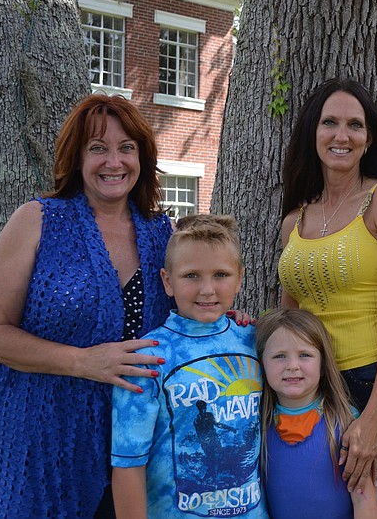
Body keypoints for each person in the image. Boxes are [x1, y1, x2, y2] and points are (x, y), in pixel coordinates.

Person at [0, 94, 174, 518]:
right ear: (77, 157)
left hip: (135, 447)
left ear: (142, 157)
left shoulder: (162, 234)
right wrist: (84, 362)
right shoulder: (37, 221)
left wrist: (224, 320)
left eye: (126, 148)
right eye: (98, 148)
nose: (113, 162)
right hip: (42, 443)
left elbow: (188, 309)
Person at [277, 77, 377, 518]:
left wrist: (375, 417)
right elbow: (290, 317)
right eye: (330, 123)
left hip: (374, 384)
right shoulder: (293, 221)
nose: (342, 135)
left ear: (368, 137)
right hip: (310, 388)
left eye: (354, 125)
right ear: (313, 133)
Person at [111, 214, 267, 518]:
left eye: (221, 275)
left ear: (239, 278)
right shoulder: (147, 357)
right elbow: (128, 463)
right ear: (168, 282)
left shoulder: (257, 341)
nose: (207, 289)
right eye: (191, 276)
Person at [256, 308, 377, 519]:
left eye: (305, 355)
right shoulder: (256, 423)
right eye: (279, 356)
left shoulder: (346, 421)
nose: (292, 366)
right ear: (261, 363)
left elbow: (364, 499)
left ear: (323, 364)